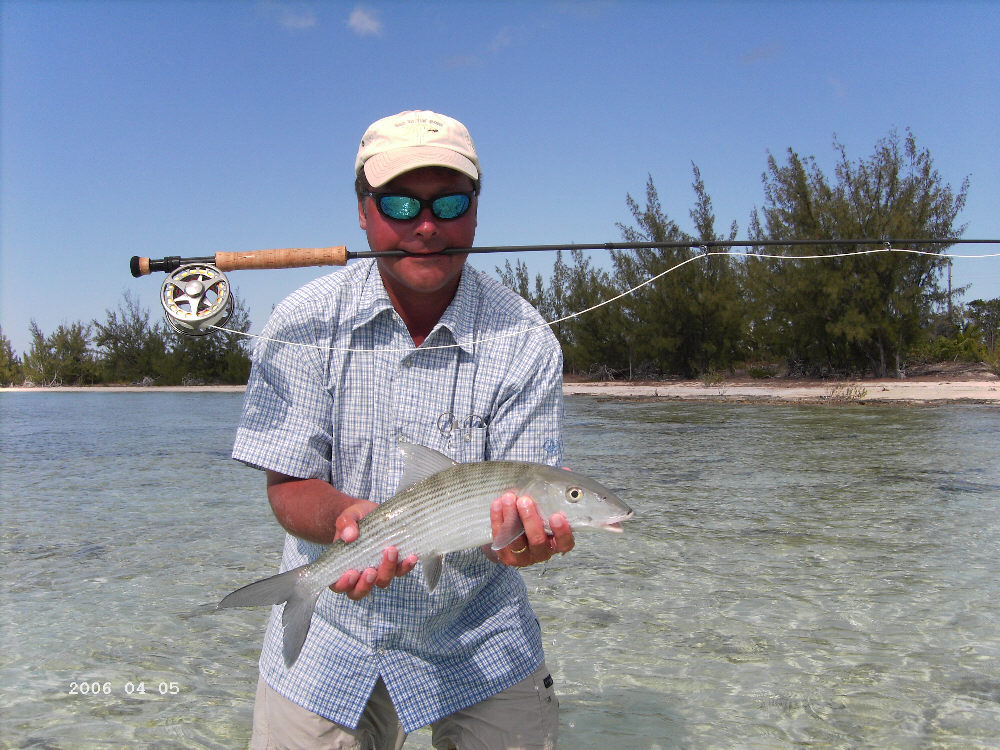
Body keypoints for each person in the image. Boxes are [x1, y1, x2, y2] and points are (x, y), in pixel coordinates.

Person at [232, 110, 575, 750]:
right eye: (398, 202)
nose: (426, 226)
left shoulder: (526, 342)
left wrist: (522, 546)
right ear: (363, 210)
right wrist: (346, 519)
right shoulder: (300, 322)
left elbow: (512, 538)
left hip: (480, 641)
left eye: (449, 202)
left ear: (476, 211)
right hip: (331, 637)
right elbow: (287, 487)